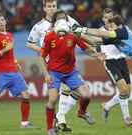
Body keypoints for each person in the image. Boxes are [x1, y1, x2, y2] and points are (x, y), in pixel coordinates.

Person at [27, 0, 94, 132]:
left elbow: (80, 33)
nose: (52, 9)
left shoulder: (68, 20)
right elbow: (29, 43)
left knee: (70, 91)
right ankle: (58, 121)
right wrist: (43, 50)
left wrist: (93, 45)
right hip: (51, 64)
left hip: (67, 62)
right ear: (44, 8)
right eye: (49, 7)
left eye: (54, 6)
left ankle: (59, 120)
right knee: (61, 93)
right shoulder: (39, 26)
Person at [40, 13, 106, 135]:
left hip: (70, 72)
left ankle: (82, 112)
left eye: (63, 18)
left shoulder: (73, 35)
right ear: (55, 22)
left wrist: (97, 55)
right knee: (53, 99)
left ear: (66, 20)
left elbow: (86, 49)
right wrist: (46, 74)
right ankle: (50, 128)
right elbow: (42, 57)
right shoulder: (49, 37)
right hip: (54, 72)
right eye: (59, 18)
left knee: (86, 95)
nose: (61, 20)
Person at [96, 8, 132, 126]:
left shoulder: (118, 30)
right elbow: (95, 44)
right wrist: (97, 54)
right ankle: (127, 119)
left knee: (127, 93)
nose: (108, 19)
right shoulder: (100, 31)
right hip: (110, 62)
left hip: (122, 60)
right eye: (106, 17)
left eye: (110, 17)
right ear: (103, 19)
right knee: (123, 90)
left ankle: (106, 106)